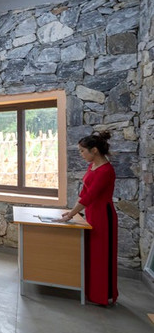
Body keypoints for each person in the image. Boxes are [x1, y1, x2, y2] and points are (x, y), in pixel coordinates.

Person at [62, 130, 118, 306]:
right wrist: (73, 211)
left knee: (102, 255)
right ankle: (91, 292)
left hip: (103, 216)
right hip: (92, 214)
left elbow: (90, 196)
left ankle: (103, 295)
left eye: (82, 151)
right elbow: (84, 192)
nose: (81, 154)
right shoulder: (92, 166)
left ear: (94, 150)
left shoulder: (105, 171)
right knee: (91, 254)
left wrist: (72, 214)